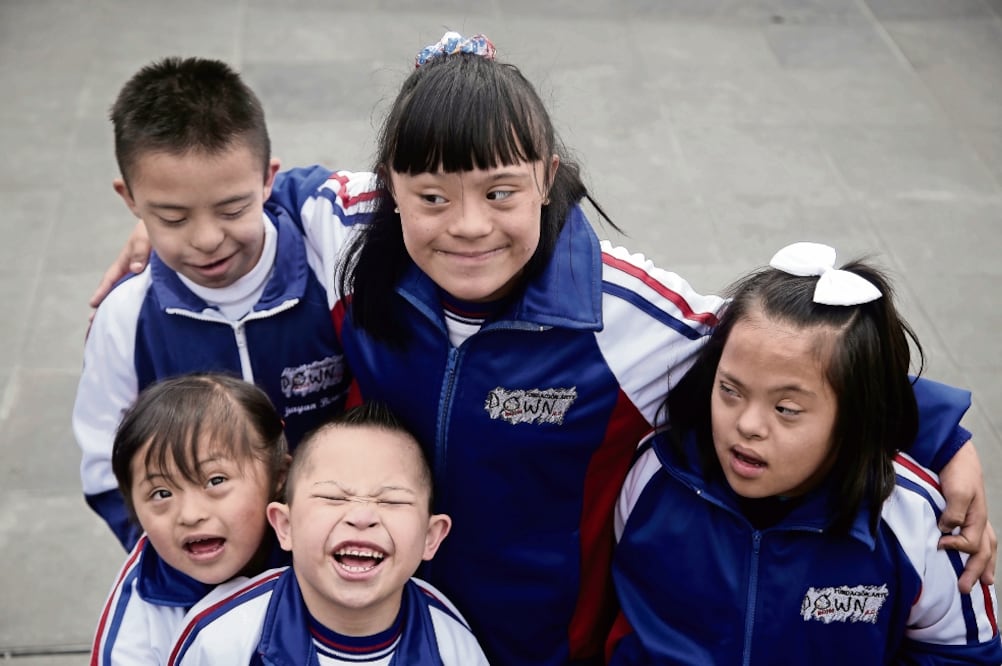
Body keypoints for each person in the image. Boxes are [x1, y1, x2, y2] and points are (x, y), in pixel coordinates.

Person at [91, 34, 995, 666]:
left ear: (548, 177)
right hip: (375, 614)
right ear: (389, 188)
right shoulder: (345, 225)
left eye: (501, 192)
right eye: (431, 196)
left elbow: (789, 356)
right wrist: (175, 235)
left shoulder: (628, 313)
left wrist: (943, 434)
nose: (467, 227)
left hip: (546, 643)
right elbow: (267, 190)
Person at [608, 242, 1002, 664]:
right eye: (729, 390)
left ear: (855, 413)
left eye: (786, 409)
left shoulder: (917, 519)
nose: (748, 425)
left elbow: (963, 655)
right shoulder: (654, 477)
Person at [73, 56, 356, 551]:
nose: (206, 239)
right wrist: (177, 563)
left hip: (337, 555)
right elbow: (103, 465)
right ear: (130, 200)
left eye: (232, 209)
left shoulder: (328, 267)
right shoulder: (125, 318)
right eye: (173, 218)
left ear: (269, 179)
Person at [165, 401, 489, 665]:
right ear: (285, 525)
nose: (362, 517)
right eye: (333, 497)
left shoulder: (452, 646)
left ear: (431, 537)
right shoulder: (222, 639)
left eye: (392, 500)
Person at [90, 373, 290, 666]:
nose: (190, 515)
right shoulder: (140, 610)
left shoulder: (322, 553)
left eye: (215, 480)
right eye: (161, 493)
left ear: (279, 476)